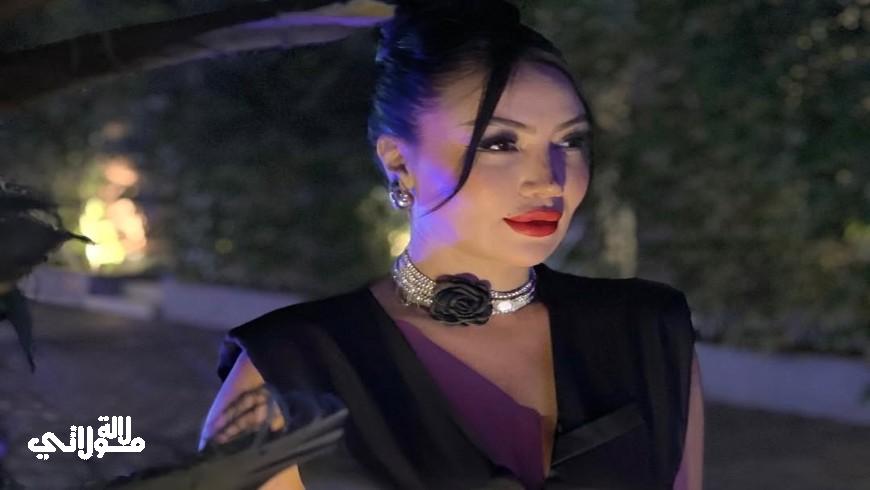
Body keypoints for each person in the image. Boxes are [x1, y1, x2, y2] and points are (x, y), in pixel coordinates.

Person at [199, 1, 704, 489]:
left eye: (570, 141)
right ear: (399, 162)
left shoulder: (648, 331)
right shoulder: (291, 371)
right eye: (500, 143)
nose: (548, 180)